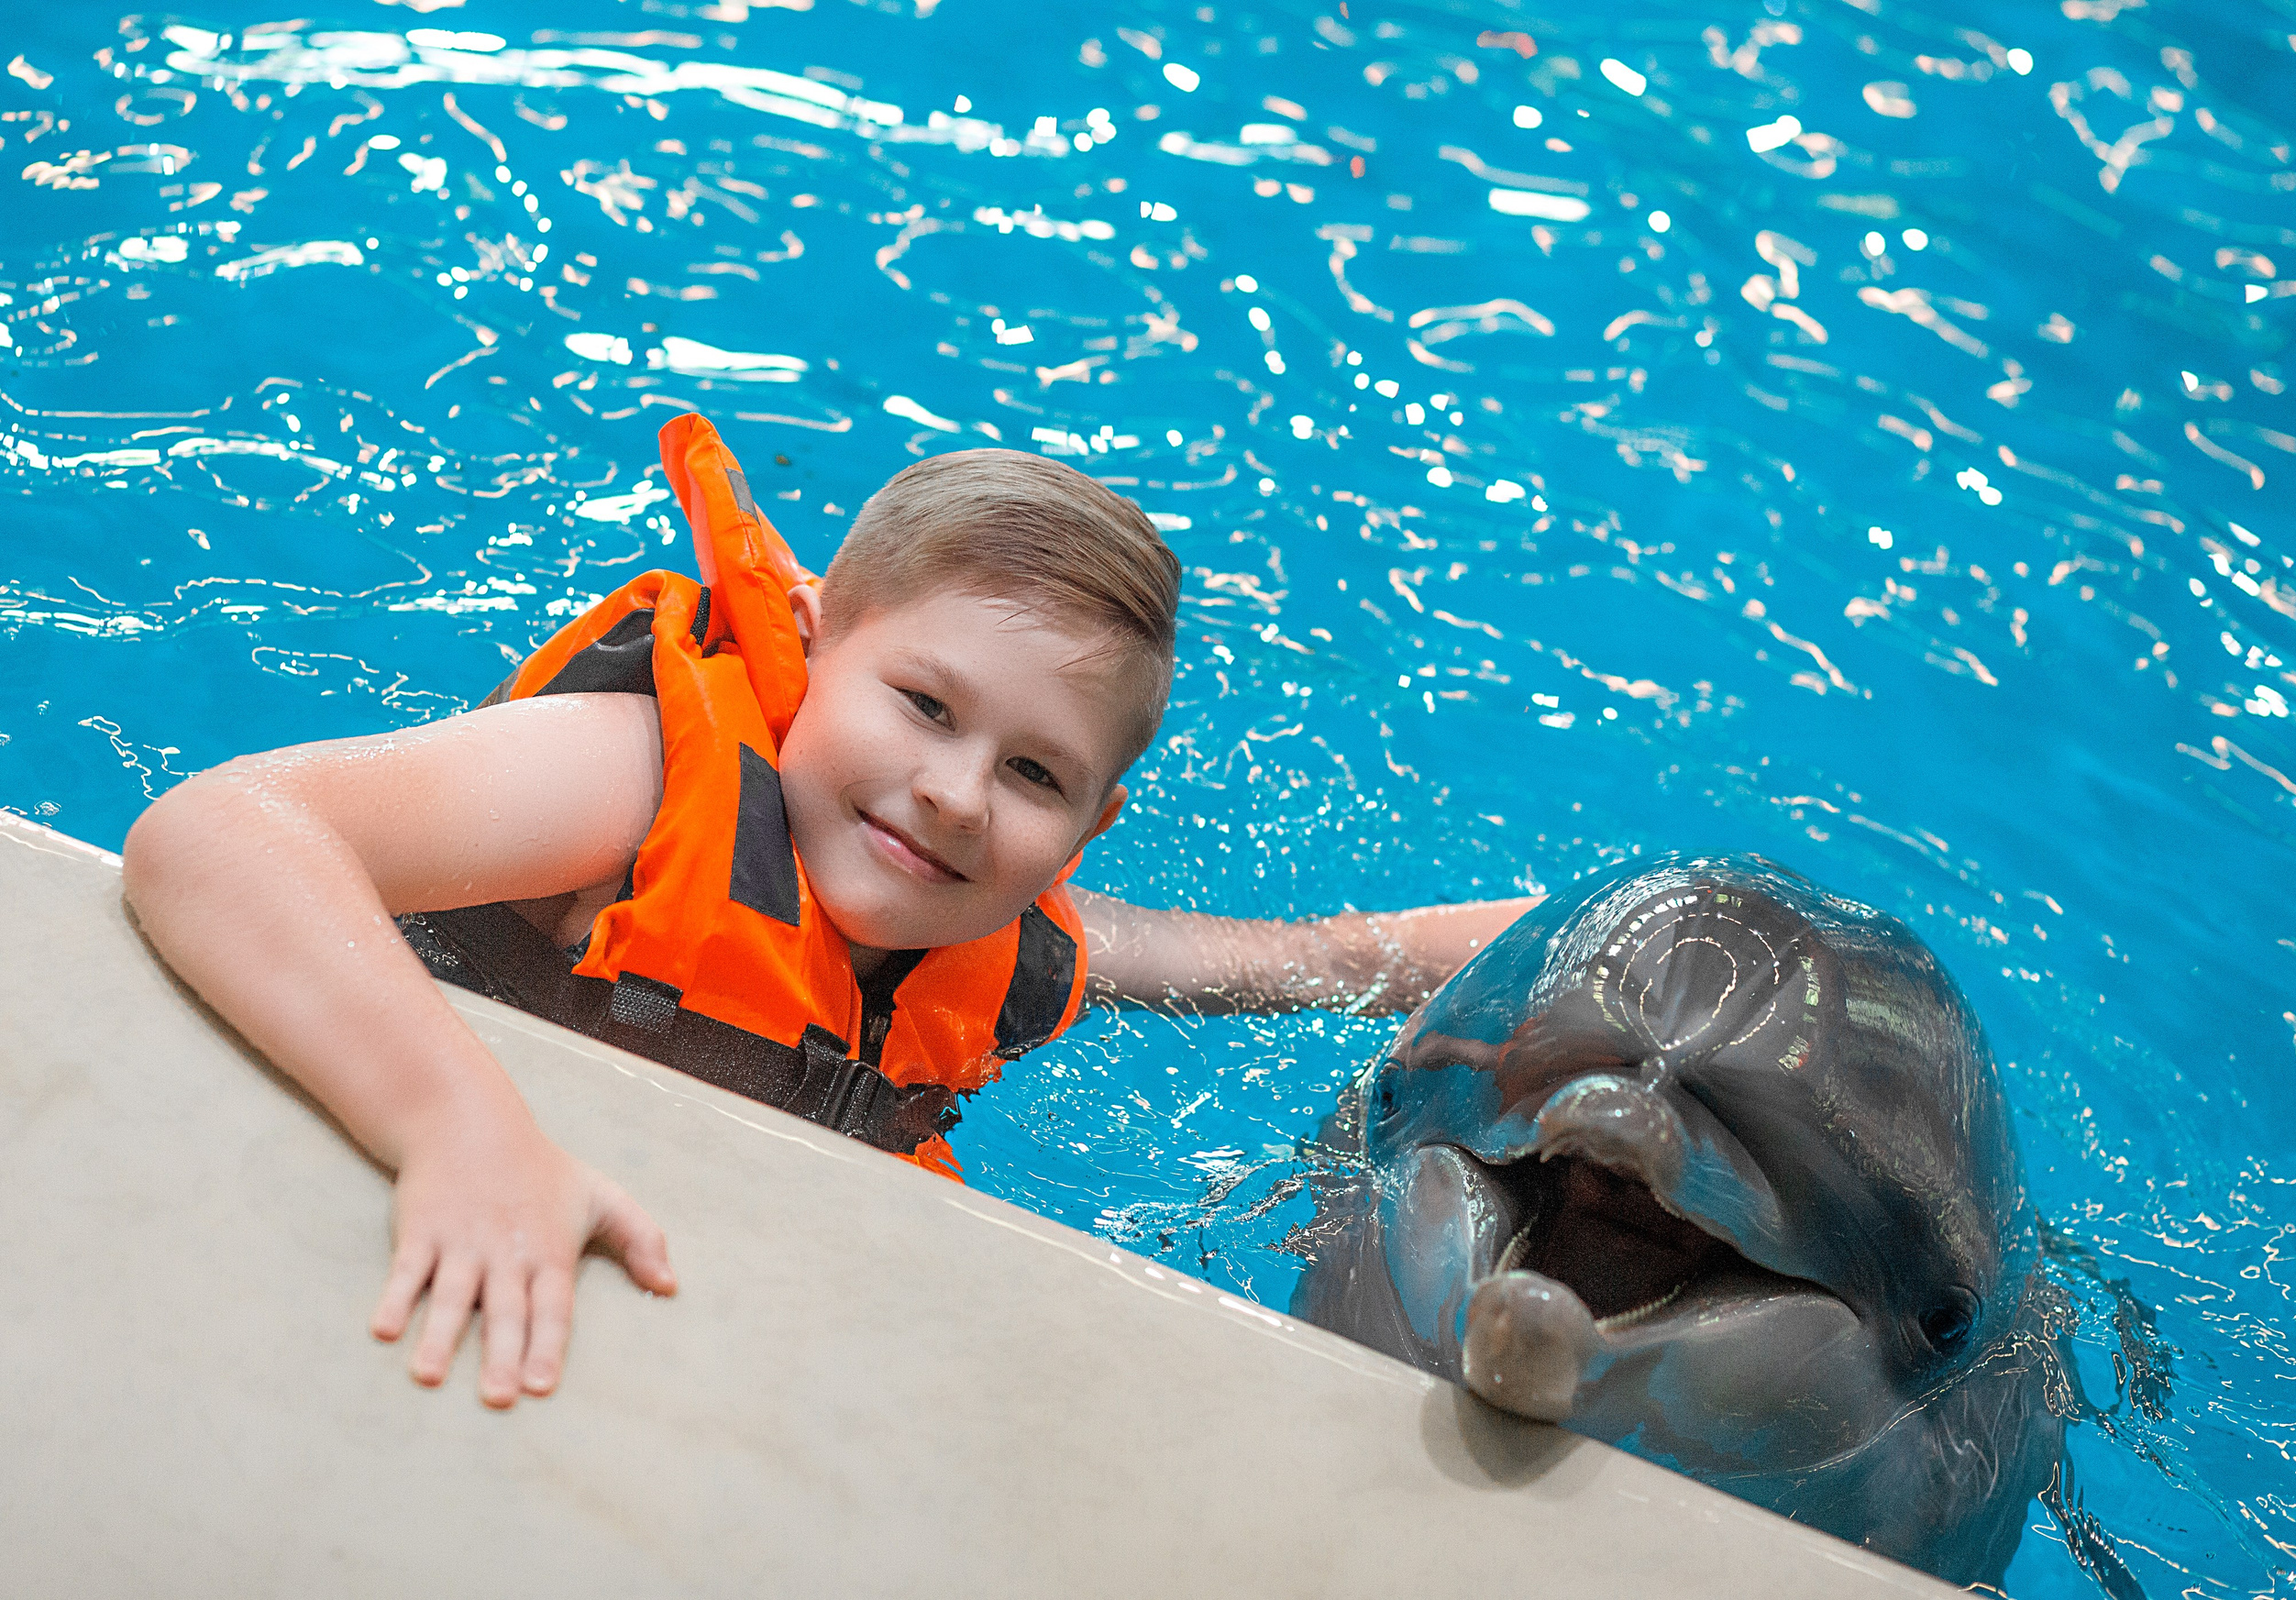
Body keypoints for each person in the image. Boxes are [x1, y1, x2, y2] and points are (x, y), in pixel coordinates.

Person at [122, 414, 1533, 1409]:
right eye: (924, 704)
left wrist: (1578, 940)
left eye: (1035, 772)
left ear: (1088, 827)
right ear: (809, 642)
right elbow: (218, 833)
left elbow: (1313, 963)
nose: (959, 795)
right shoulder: (626, 789)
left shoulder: (1003, 940)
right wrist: (458, 1126)